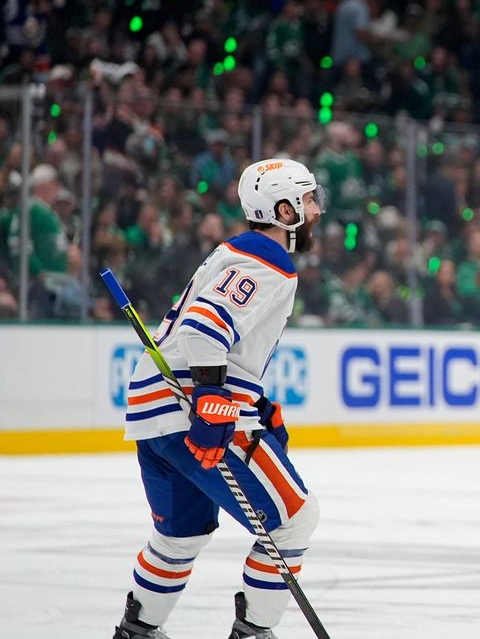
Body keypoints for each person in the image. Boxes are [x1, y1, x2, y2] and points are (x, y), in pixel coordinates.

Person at [113, 159, 325, 639]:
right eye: (309, 200)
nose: (317, 211)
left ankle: (137, 630)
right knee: (294, 519)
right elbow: (203, 329)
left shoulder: (237, 252)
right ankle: (254, 633)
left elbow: (218, 341)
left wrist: (254, 403)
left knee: (179, 536)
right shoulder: (266, 257)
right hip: (190, 412)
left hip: (156, 413)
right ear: (285, 211)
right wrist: (212, 399)